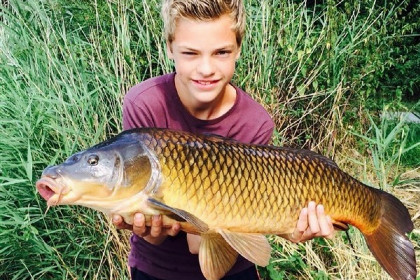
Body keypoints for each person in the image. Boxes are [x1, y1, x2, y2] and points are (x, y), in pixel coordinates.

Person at [112, 0, 335, 279]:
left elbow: (225, 226)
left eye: (221, 52)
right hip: (157, 268)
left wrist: (292, 228)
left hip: (233, 267)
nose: (206, 69)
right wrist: (148, 228)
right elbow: (152, 229)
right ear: (170, 47)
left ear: (238, 48)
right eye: (191, 53)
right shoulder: (144, 103)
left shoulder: (254, 122)